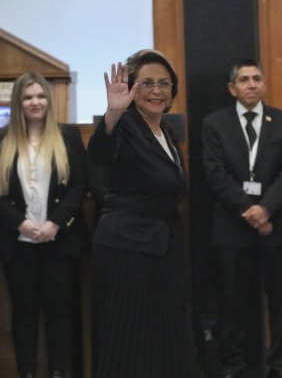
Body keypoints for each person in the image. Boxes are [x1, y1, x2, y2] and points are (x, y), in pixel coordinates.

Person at [87, 49, 195, 377]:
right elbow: (100, 154)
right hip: (126, 252)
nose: (156, 91)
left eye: (164, 83)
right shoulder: (125, 125)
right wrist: (112, 114)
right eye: (147, 83)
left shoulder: (167, 133)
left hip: (160, 250)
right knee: (130, 342)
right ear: (132, 89)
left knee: (159, 340)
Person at [0, 72, 87, 378]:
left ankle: (59, 372)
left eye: (40, 96)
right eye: (28, 97)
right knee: (24, 316)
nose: (35, 102)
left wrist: (55, 223)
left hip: (58, 242)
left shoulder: (67, 135)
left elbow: (79, 185)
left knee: (60, 314)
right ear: (19, 102)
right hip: (19, 245)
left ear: (49, 100)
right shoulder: (3, 138)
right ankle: (26, 373)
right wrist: (21, 224)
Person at [202, 59, 282, 378]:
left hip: (276, 226)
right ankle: (234, 363)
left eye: (257, 78)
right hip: (231, 227)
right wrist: (249, 211)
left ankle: (281, 364)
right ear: (233, 88)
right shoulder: (214, 124)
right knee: (231, 300)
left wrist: (266, 210)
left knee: (279, 301)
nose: (252, 84)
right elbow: (215, 173)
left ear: (265, 84)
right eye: (244, 80)